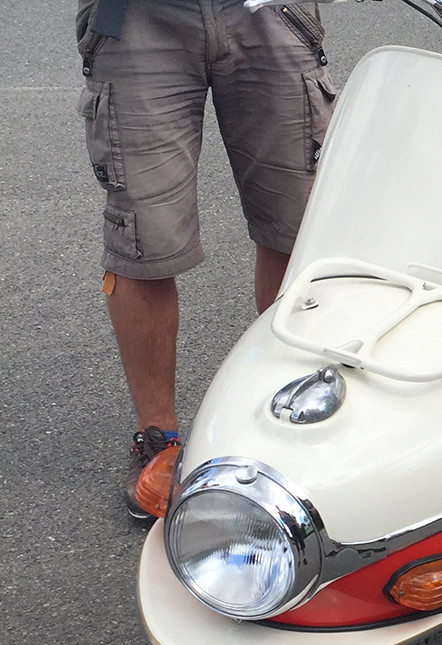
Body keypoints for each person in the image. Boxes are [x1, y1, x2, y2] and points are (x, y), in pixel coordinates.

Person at [76, 0, 336, 519]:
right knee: (144, 237)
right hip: (137, 18)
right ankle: (158, 438)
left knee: (298, 229)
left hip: (270, 11)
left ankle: (291, 421)